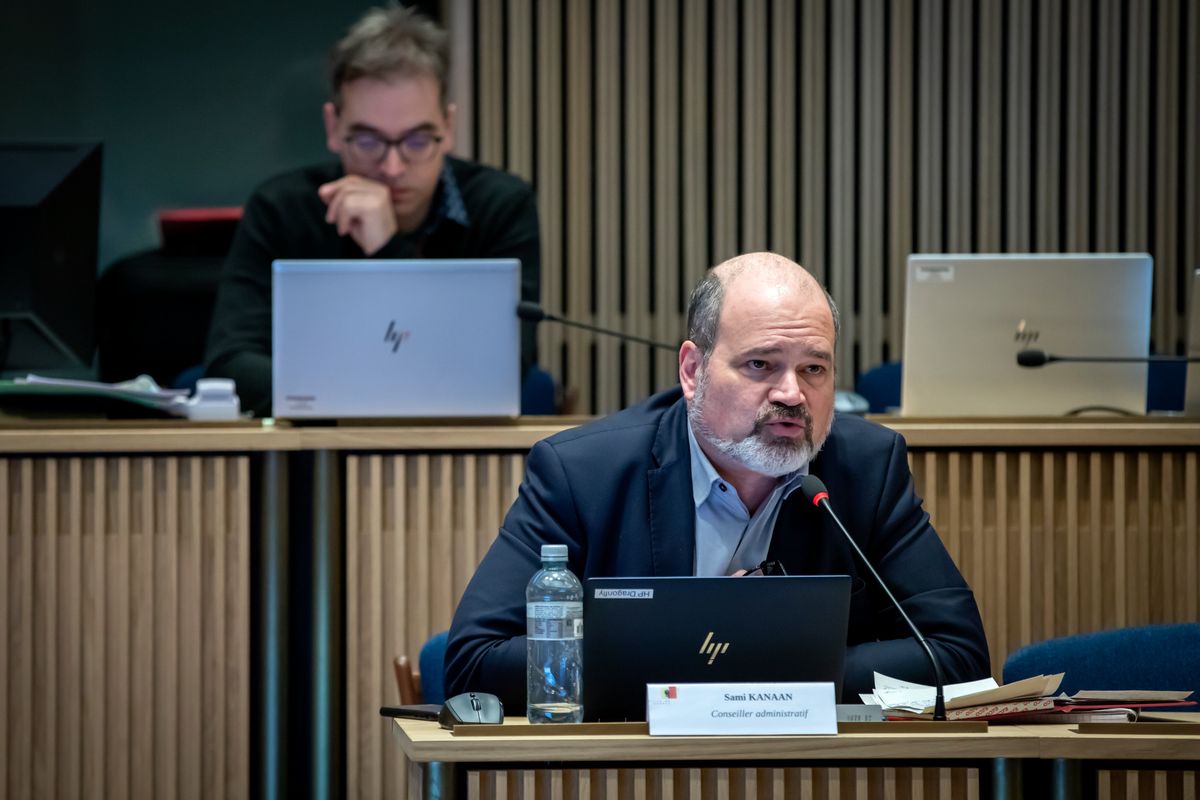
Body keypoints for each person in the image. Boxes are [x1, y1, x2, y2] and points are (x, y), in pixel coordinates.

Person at [445, 252, 990, 706]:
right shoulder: (583, 473)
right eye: (760, 365)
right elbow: (473, 663)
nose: (791, 394)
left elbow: (959, 656)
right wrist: (699, 647)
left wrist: (763, 661)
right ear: (692, 370)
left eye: (814, 368)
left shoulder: (866, 467)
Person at [204, 5, 540, 417]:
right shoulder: (281, 208)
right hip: (312, 457)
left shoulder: (500, 205)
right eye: (367, 141)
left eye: (417, 141)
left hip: (454, 454)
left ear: (448, 128)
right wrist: (359, 405)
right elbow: (231, 360)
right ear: (333, 128)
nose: (392, 168)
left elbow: (502, 369)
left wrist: (387, 248)